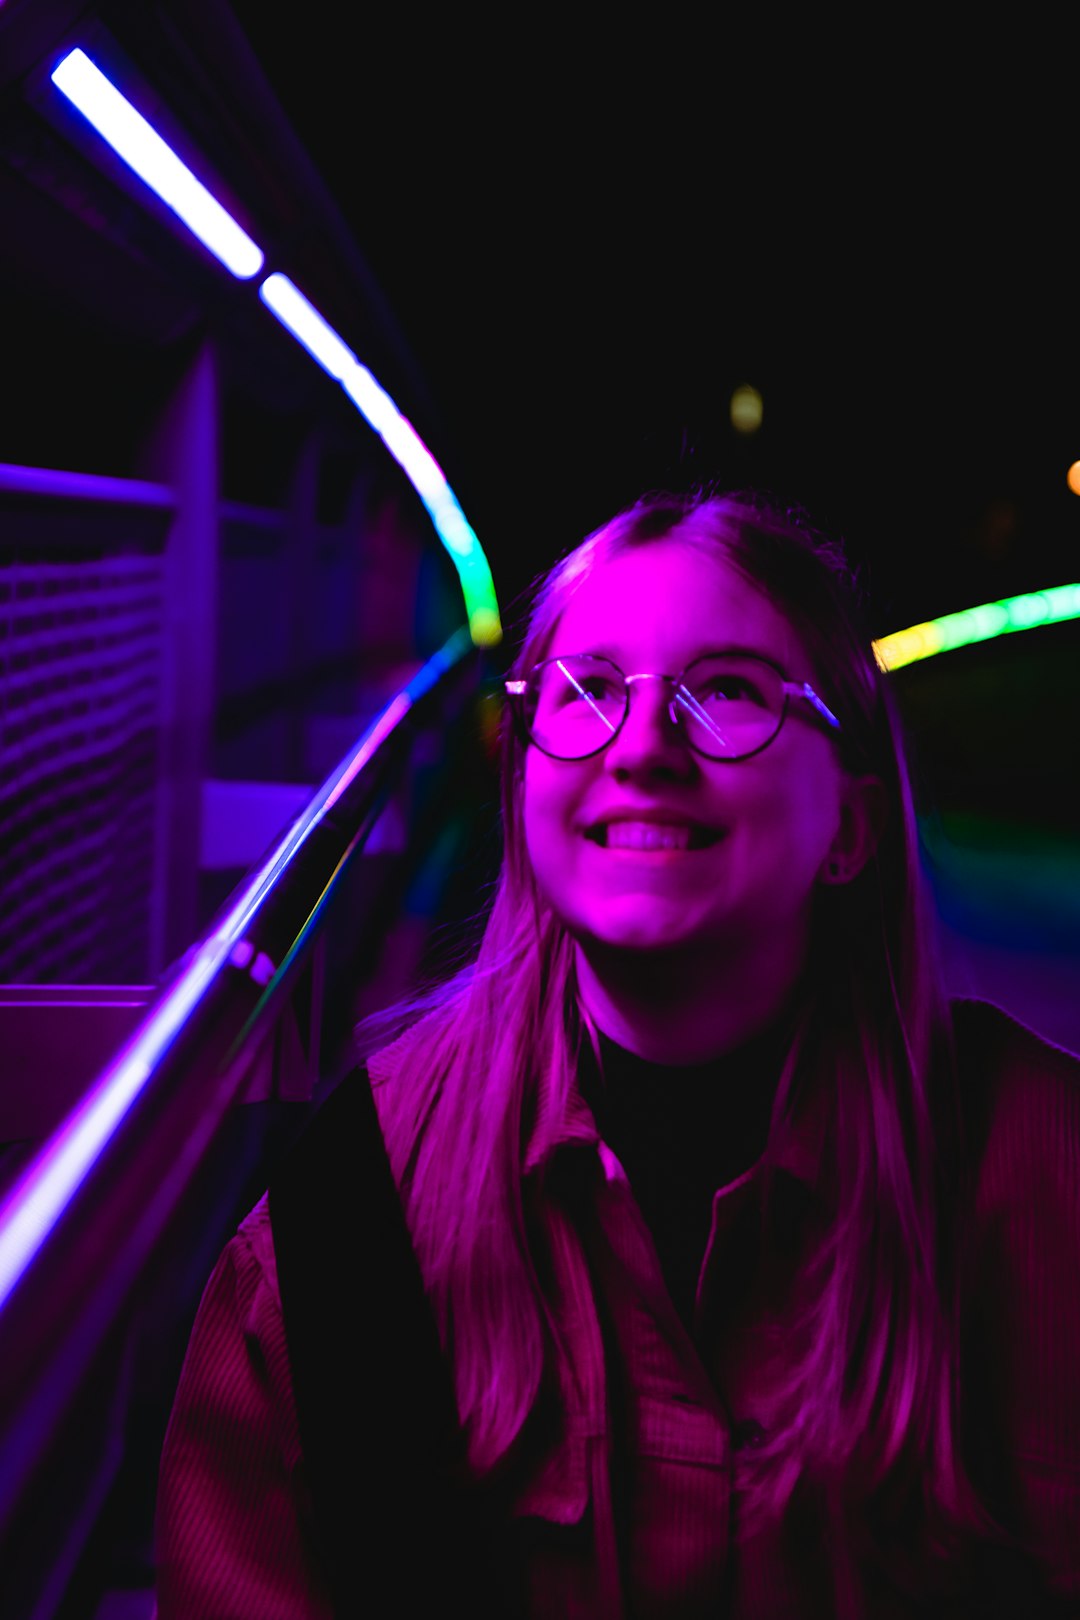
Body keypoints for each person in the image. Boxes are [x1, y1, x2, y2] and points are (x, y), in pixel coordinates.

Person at [156, 490, 1080, 1618]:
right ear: (524, 783)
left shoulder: (1038, 1169)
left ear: (851, 826)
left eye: (728, 691)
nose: (642, 745)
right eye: (587, 690)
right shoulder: (355, 1212)